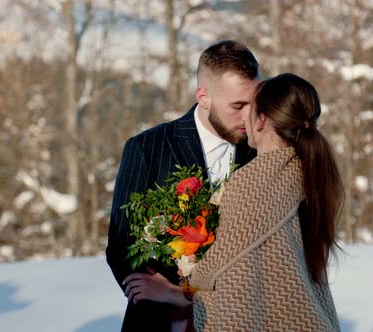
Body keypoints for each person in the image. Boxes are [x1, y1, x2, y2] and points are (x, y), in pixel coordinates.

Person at [124, 73, 344, 331]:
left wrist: (172, 290)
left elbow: (230, 289)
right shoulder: (311, 174)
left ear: (261, 120)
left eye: (249, 110)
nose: (244, 118)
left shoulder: (254, 181)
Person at [106, 40, 260, 332]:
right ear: (204, 96)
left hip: (242, 316)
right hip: (161, 321)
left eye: (255, 103)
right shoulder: (147, 147)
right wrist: (174, 298)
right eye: (238, 105)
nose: (248, 116)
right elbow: (121, 245)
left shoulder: (262, 150)